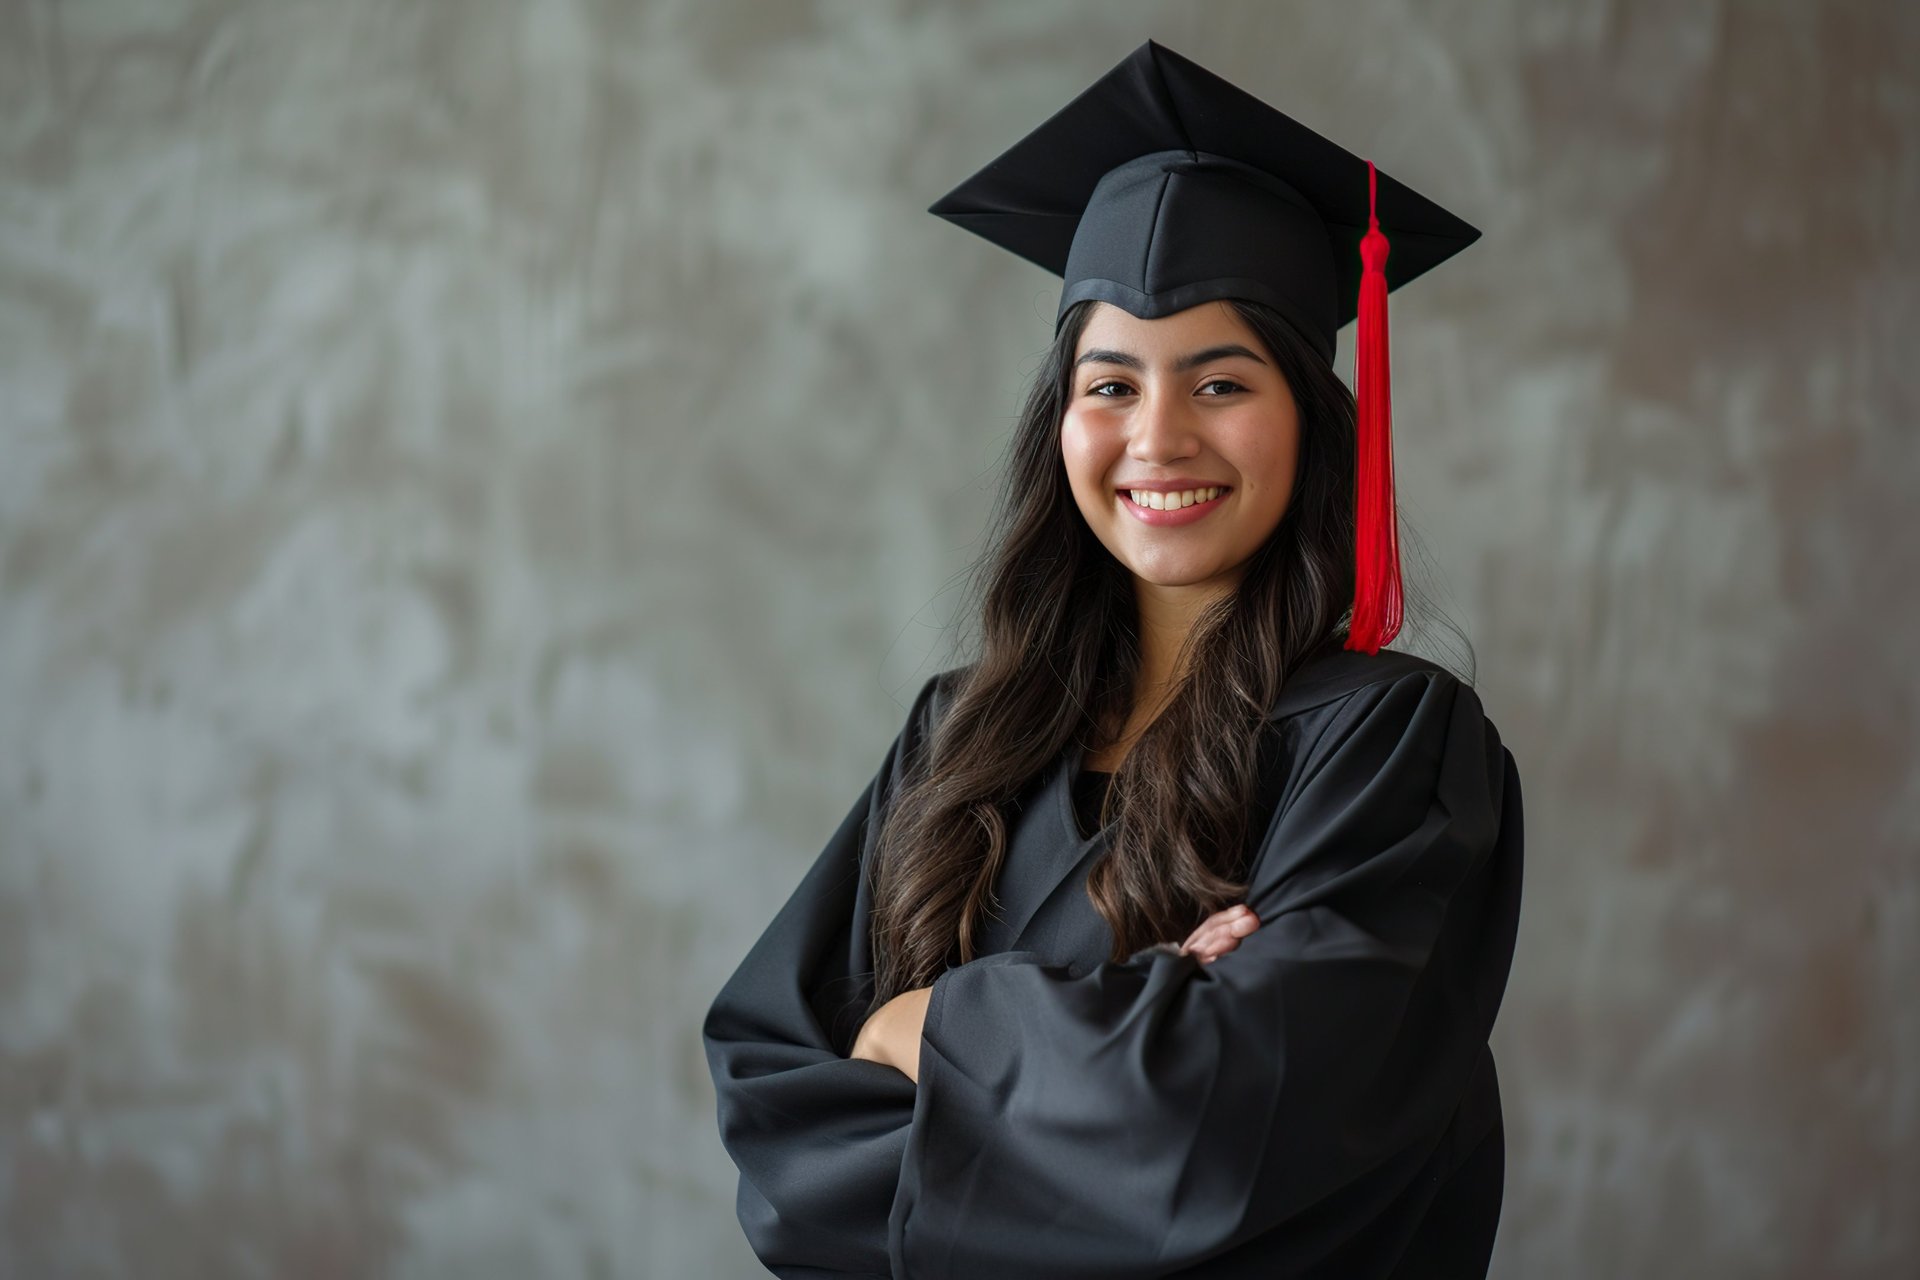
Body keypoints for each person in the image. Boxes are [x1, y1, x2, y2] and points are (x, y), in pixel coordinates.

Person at [701, 38, 1523, 1280]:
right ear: (1061, 420)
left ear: (1309, 415)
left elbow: (1228, 1130)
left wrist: (923, 1025)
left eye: (1222, 379)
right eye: (1110, 382)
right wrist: (1138, 1013)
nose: (1158, 437)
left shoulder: (1389, 742)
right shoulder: (957, 733)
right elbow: (780, 1142)